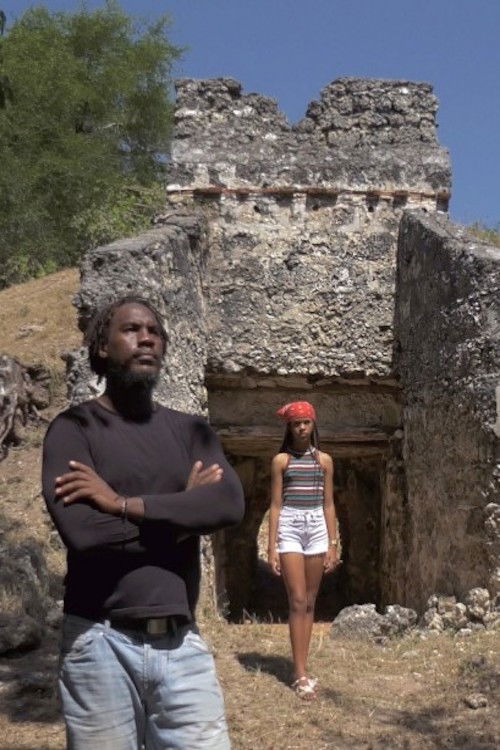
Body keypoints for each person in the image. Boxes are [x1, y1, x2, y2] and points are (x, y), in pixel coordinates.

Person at [42, 295, 245, 749]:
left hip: (182, 642)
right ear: (102, 347)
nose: (147, 338)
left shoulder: (192, 431)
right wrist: (185, 513)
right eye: (132, 329)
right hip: (99, 640)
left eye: (154, 331)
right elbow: (85, 533)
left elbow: (229, 506)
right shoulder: (74, 429)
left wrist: (121, 504)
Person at [268, 401, 339, 700]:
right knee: (297, 599)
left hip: (317, 527)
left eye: (305, 422)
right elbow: (275, 505)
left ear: (313, 424)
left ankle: (303, 667)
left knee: (309, 601)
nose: (301, 428)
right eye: (296, 423)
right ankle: (298, 674)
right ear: (289, 427)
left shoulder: (324, 461)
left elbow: (328, 504)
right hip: (291, 525)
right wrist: (271, 546)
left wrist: (333, 544)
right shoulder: (281, 461)